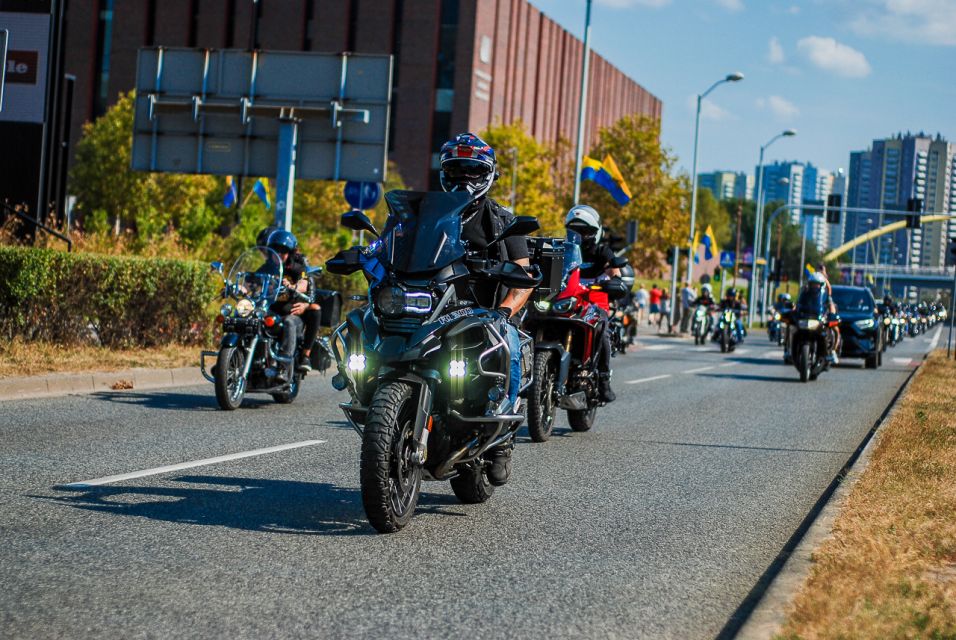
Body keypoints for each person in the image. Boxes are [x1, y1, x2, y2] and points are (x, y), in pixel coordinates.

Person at [439, 132, 535, 486]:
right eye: (457, 169)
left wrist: (506, 310)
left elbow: (523, 271)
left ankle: (502, 435)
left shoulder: (501, 220)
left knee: (506, 345)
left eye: (472, 170)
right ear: (444, 172)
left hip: (484, 312)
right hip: (434, 309)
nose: (464, 178)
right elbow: (389, 246)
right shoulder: (422, 212)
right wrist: (368, 255)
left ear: (489, 174)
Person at [564, 203, 623, 404]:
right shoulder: (564, 249)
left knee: (602, 330)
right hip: (568, 298)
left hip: (594, 301)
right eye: (574, 230)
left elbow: (615, 272)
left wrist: (613, 281)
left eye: (585, 231)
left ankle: (604, 380)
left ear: (595, 232)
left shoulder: (602, 251)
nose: (579, 235)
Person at [255, 230, 320, 381]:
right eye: (275, 250)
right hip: (271, 310)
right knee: (250, 318)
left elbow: (303, 283)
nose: (279, 254)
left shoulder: (297, 268)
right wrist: (239, 287)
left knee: (289, 323)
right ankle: (234, 359)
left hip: (292, 312)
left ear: (290, 253)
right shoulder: (267, 267)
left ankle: (283, 366)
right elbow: (251, 281)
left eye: (283, 251)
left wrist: (293, 286)